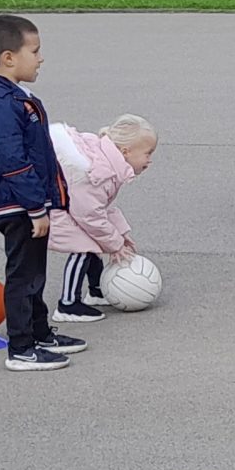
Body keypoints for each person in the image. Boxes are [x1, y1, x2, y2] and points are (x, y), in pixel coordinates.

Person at [0, 14, 84, 371]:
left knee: (34, 272)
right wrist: (34, 207)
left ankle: (40, 332)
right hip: (18, 206)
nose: (41, 58)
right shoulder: (0, 105)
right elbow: (12, 160)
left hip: (27, 203)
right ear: (9, 57)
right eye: (35, 50)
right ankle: (22, 349)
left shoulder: (14, 97)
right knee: (23, 275)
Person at [49, 115, 158, 320]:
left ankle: (97, 290)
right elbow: (90, 215)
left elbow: (104, 207)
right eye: (148, 153)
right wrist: (115, 243)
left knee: (94, 241)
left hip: (71, 205)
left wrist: (121, 234)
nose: (150, 160)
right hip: (54, 207)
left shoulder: (107, 163)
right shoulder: (99, 172)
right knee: (82, 247)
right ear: (126, 152)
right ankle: (68, 304)